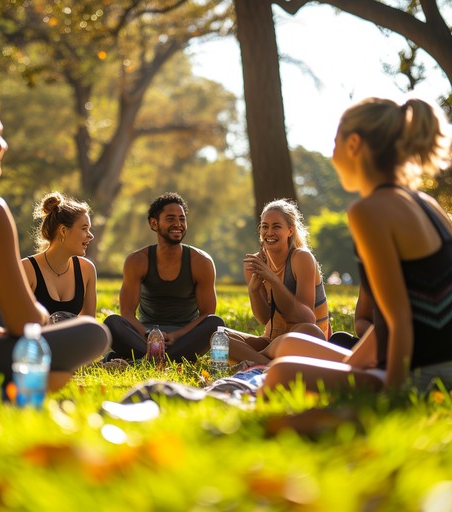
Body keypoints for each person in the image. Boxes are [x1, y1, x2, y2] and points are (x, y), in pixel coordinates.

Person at [261, 97, 452, 395]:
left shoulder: (369, 210)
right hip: (422, 358)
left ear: (354, 144)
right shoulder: (427, 204)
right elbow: (411, 309)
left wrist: (391, 397)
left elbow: (398, 317)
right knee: (292, 344)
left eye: (334, 143)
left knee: (280, 374)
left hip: (422, 374)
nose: (332, 154)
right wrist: (352, 363)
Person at [0, 91, 111, 392]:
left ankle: (21, 387)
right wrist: (45, 317)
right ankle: (13, 390)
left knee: (53, 366)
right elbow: (25, 323)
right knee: (93, 334)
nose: (4, 146)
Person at [103, 192, 224, 362]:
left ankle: (145, 359)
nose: (178, 224)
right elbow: (127, 312)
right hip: (144, 336)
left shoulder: (201, 261)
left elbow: (207, 313)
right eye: (170, 218)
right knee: (112, 323)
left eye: (182, 219)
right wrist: (149, 335)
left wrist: (176, 335)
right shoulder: (137, 260)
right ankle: (164, 358)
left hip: (185, 336)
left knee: (215, 324)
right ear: (154, 223)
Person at [227, 198, 330, 365]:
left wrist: (273, 281)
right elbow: (265, 318)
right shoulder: (255, 264)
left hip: (302, 339)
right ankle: (267, 364)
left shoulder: (301, 258)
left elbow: (307, 319)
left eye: (276, 226)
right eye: (264, 226)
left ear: (290, 230)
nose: (269, 232)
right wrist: (253, 291)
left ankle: (256, 360)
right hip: (271, 342)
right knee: (219, 338)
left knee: (309, 331)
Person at [21, 192, 97, 319]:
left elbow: (89, 324)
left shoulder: (87, 269)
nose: (90, 236)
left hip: (73, 338)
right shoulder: (26, 269)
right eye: (84, 229)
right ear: (63, 231)